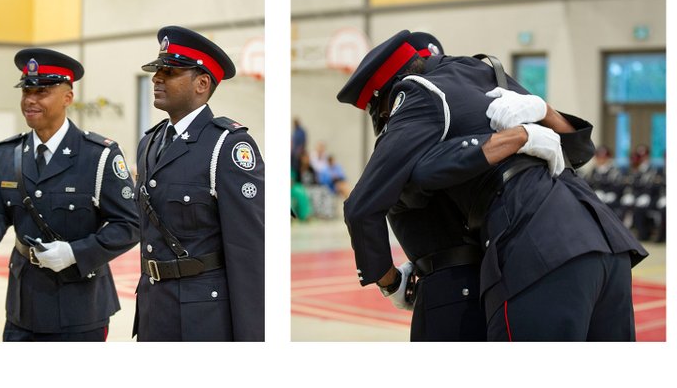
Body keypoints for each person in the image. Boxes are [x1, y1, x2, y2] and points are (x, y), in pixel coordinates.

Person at [339, 30, 646, 341]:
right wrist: (537, 117)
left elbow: (363, 206)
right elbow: (580, 150)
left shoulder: (417, 94)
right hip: (605, 238)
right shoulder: (486, 72)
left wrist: (390, 283)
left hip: (537, 246)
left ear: (386, 99)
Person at [0, 49, 139, 341]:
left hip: (80, 305)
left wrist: (74, 253)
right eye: (26, 91)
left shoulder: (98, 156)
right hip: (22, 304)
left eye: (42, 91)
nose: (30, 100)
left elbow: (130, 225)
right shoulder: (5, 155)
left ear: (68, 97)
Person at [133, 26, 265, 341]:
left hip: (202, 317)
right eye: (157, 71)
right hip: (155, 308)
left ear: (202, 83)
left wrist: (252, 337)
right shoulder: (150, 144)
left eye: (170, 71)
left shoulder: (227, 147)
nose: (157, 78)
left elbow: (249, 251)